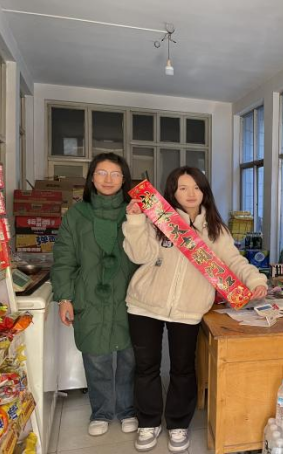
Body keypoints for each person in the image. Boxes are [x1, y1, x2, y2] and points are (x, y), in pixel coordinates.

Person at [123, 166, 268, 452]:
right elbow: (139, 255)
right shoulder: (158, 220)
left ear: (204, 192)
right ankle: (148, 422)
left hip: (189, 308)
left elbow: (233, 261)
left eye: (197, 187)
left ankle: (178, 424)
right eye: (183, 188)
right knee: (146, 367)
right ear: (172, 192)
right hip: (144, 305)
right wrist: (136, 219)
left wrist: (255, 280)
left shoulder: (215, 228)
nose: (191, 194)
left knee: (183, 368)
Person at [51, 152, 138, 436]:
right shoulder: (77, 215)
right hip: (89, 296)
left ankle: (127, 410)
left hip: (130, 297)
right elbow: (64, 258)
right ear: (92, 178)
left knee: (129, 356)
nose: (108, 179)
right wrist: (65, 297)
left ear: (124, 179)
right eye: (101, 173)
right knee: (96, 357)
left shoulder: (135, 212)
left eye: (115, 174)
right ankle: (101, 412)